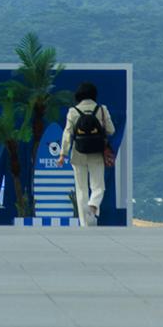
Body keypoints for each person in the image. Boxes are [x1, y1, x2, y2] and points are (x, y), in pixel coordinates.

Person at [57, 82, 115, 227]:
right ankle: (93, 206)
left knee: (81, 188)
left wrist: (63, 154)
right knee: (98, 186)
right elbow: (111, 130)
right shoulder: (102, 109)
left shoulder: (73, 111)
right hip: (96, 152)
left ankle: (85, 223)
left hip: (78, 153)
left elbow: (67, 133)